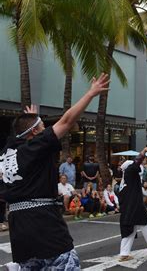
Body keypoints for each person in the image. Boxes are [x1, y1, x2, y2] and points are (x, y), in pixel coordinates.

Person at [0, 73, 109, 268]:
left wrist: (33, 116)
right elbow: (66, 121)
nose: (46, 130)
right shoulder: (34, 148)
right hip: (43, 223)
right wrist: (91, 94)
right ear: (34, 133)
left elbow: (22, 134)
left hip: (18, 227)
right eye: (42, 127)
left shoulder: (6, 154)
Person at [118, 146, 147, 262]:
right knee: (146, 222)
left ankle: (124, 253)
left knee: (130, 228)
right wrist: (143, 152)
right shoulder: (130, 173)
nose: (139, 167)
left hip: (126, 210)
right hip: (135, 207)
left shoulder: (124, 182)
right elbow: (136, 163)